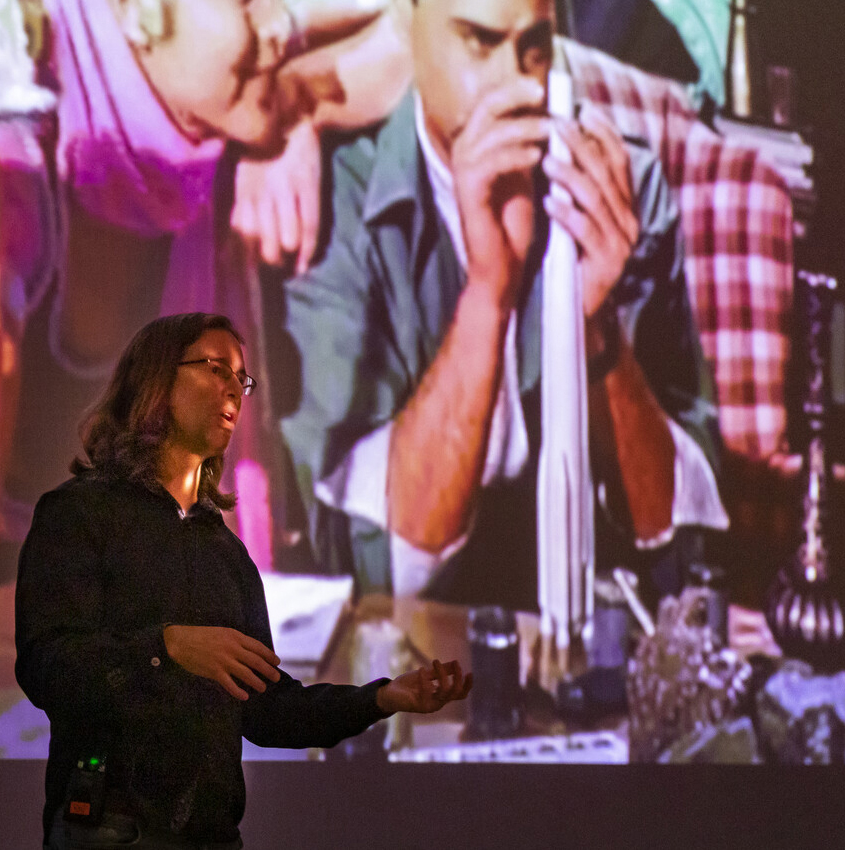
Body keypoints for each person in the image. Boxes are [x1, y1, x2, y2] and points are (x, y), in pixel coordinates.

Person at [269, 0, 728, 610]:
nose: (517, 85)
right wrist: (488, 294)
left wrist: (596, 327)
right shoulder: (338, 200)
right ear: (409, 30)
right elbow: (368, 568)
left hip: (592, 645)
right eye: (479, 43)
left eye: (535, 48)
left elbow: (681, 552)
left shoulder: (619, 183)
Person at [14, 312, 471, 849]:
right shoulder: (78, 514)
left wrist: (382, 698)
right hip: (108, 832)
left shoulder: (226, 555)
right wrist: (167, 649)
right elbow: (47, 667)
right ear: (157, 380)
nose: (235, 387)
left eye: (242, 378)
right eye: (215, 368)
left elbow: (268, 710)